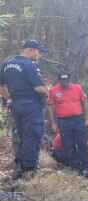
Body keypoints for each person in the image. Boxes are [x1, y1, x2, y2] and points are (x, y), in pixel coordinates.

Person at [0, 40, 48, 180]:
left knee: (21, 136)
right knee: (32, 136)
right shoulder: (29, 64)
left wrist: (9, 99)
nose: (39, 55)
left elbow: (1, 86)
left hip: (15, 105)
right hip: (31, 105)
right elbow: (38, 88)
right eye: (38, 52)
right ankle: (29, 171)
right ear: (31, 50)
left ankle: (19, 167)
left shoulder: (7, 63)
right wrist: (47, 92)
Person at [47, 74, 88, 176]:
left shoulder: (77, 88)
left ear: (69, 80)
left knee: (82, 143)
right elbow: (50, 107)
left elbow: (84, 103)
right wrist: (53, 123)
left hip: (78, 119)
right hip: (63, 121)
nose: (65, 82)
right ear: (59, 80)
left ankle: (86, 166)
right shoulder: (53, 90)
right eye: (62, 80)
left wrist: (87, 118)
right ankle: (74, 167)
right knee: (68, 144)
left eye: (66, 80)